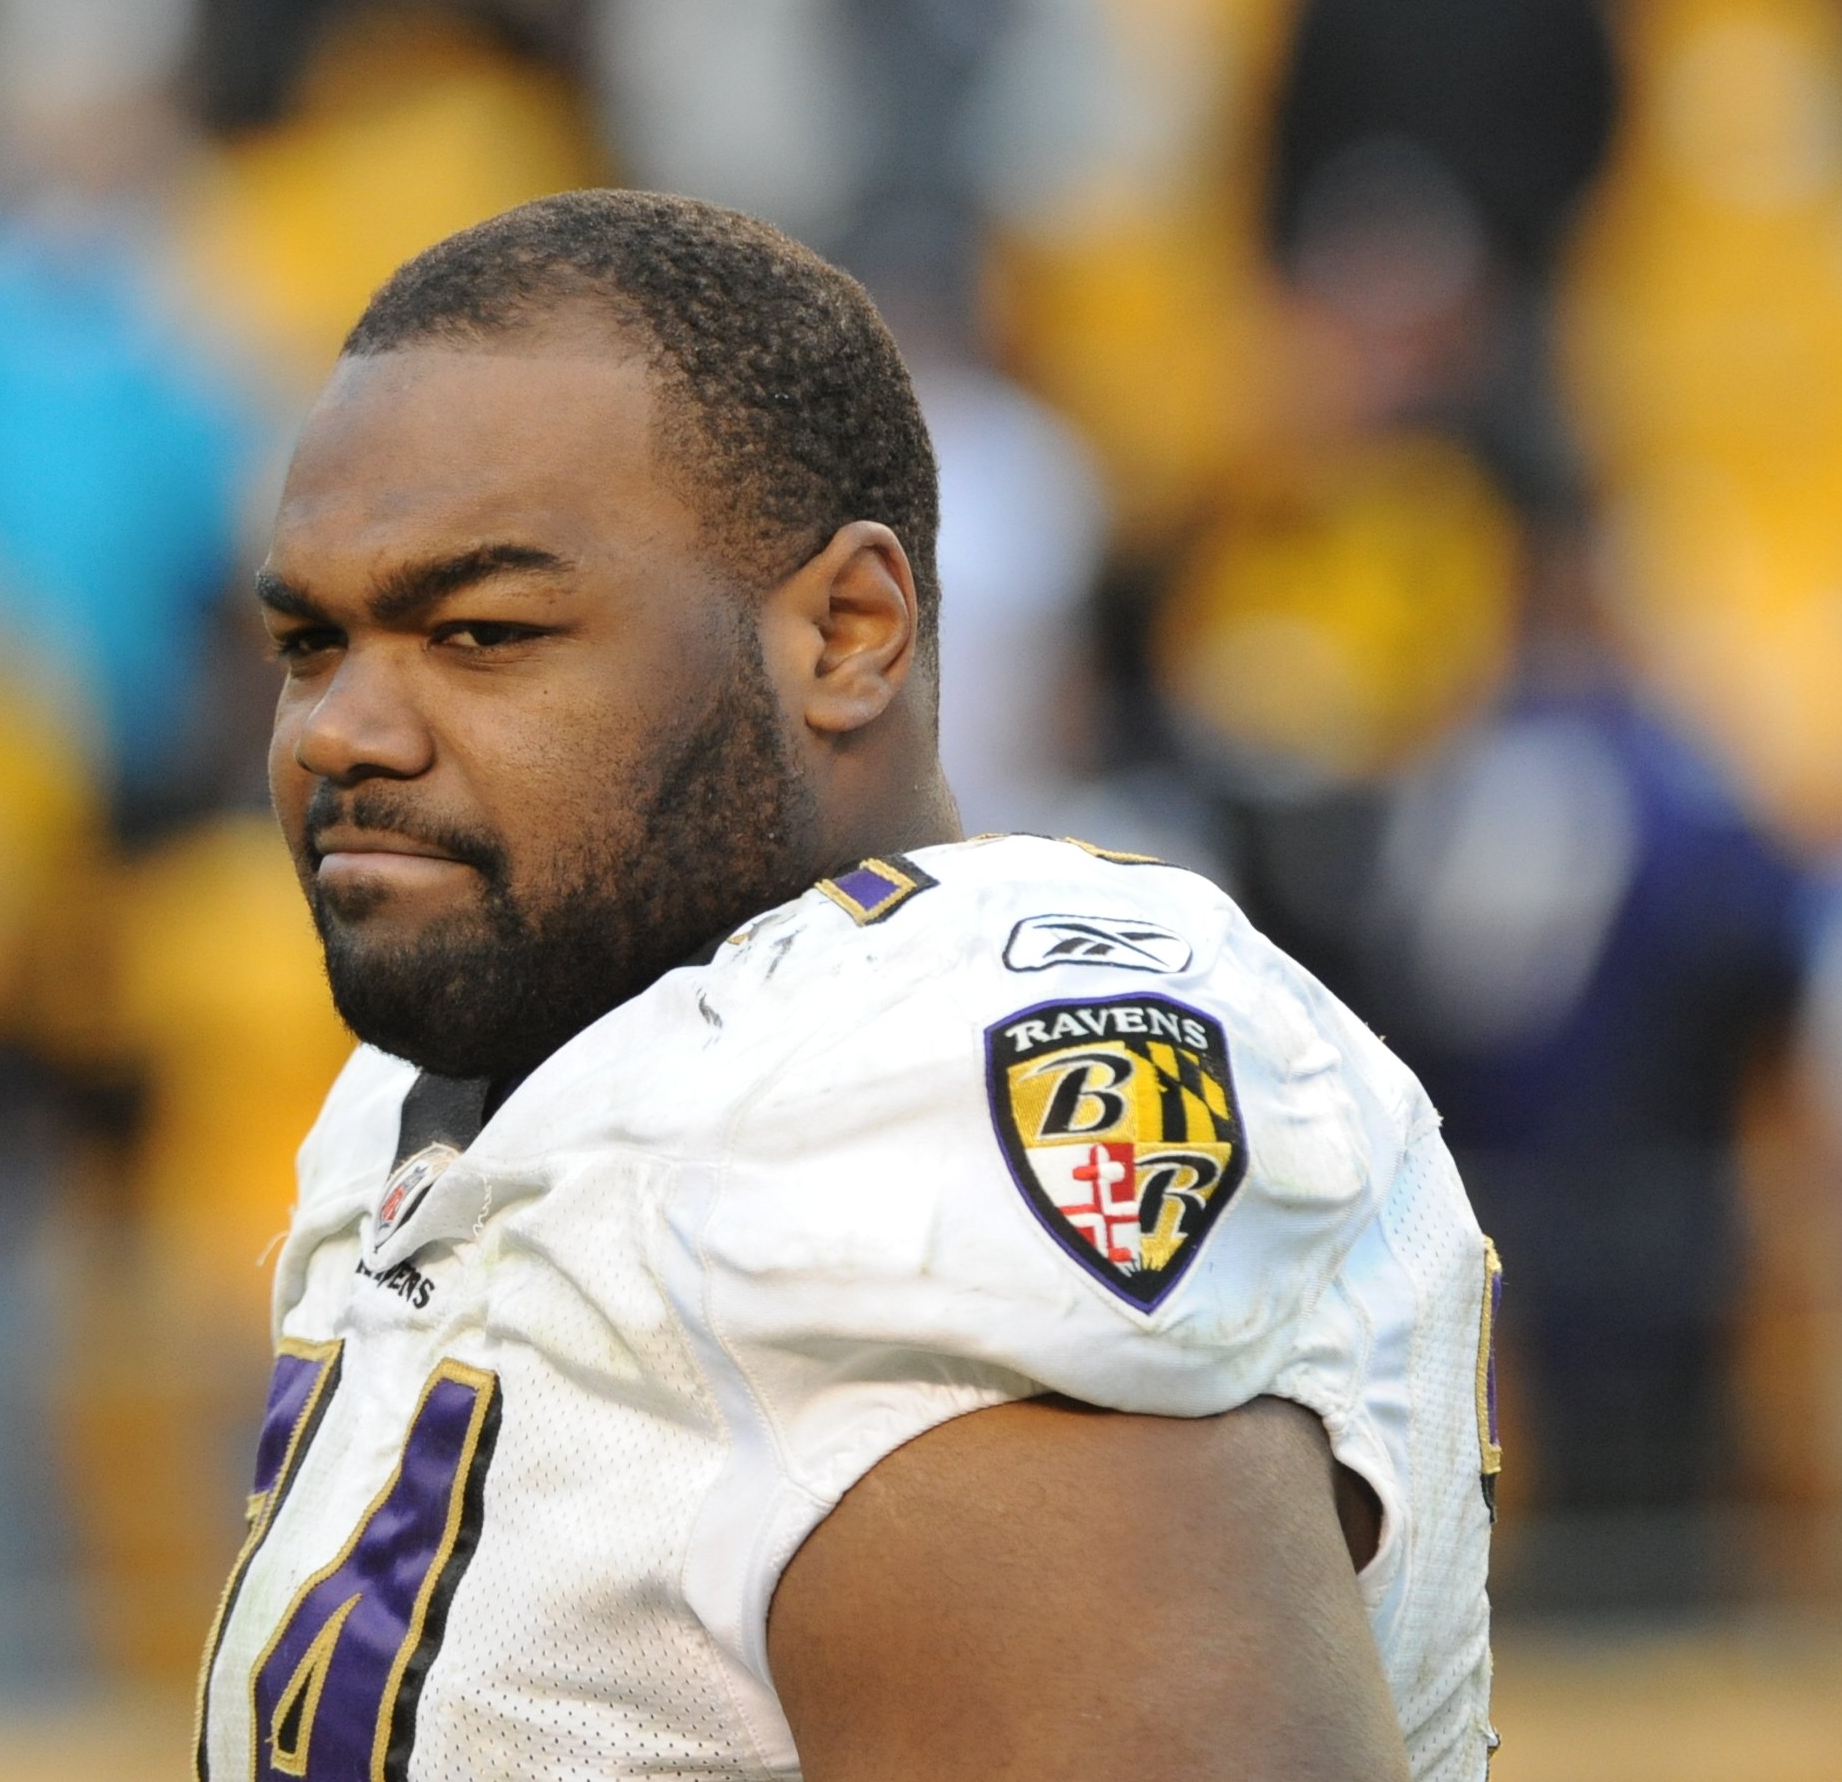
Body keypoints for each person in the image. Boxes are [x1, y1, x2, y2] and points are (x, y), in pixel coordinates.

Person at [199, 190, 1494, 1780]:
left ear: (849, 632)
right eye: (311, 645)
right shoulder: (467, 1078)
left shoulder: (926, 1094)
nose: (341, 732)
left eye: (479, 631)